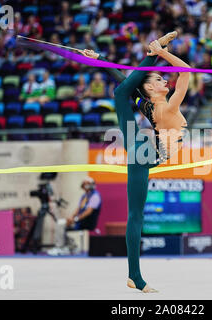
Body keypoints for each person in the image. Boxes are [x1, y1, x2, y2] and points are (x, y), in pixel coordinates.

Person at [79, 31, 189, 293]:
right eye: (161, 78)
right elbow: (185, 71)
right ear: (151, 87)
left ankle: (134, 276)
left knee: (120, 92)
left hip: (146, 152)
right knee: (135, 216)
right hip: (144, 152)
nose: (167, 81)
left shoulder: (153, 106)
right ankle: (135, 277)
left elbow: (127, 83)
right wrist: (159, 52)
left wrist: (102, 59)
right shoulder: (163, 107)